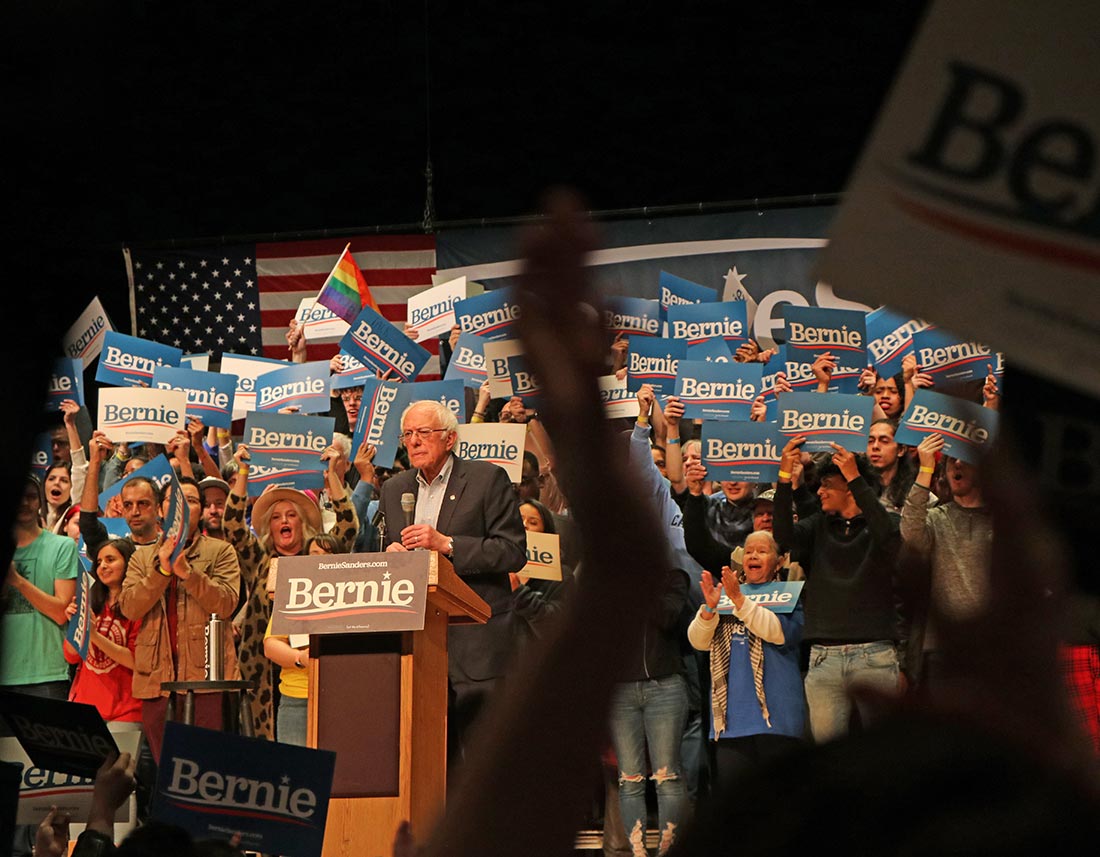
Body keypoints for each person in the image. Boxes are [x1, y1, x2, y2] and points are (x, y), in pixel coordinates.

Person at [379, 399, 527, 767]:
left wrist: (447, 544)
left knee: (485, 760)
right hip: (419, 641)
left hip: (477, 644)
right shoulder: (394, 489)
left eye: (423, 433)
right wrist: (392, 557)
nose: (414, 441)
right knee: (430, 762)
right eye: (408, 434)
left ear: (450, 439)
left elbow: (512, 551)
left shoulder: (485, 479)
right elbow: (379, 553)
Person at [224, 440, 358, 739]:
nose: (283, 521)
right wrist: (243, 470)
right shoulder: (259, 561)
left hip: (311, 674)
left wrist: (333, 477)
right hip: (262, 673)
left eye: (291, 515)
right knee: (271, 755)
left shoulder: (319, 557)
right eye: (275, 517)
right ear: (269, 527)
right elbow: (233, 527)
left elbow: (348, 528)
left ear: (303, 522)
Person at [773, 437, 902, 743]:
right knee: (829, 766)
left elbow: (891, 541)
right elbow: (783, 535)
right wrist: (782, 477)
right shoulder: (818, 526)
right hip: (823, 659)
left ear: (849, 486)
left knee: (886, 759)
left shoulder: (886, 524)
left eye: (828, 484)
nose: (819, 491)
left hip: (876, 655)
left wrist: (857, 477)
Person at [117, 476, 241, 762]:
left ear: (200, 510)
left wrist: (188, 573)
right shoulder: (142, 557)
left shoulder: (221, 551)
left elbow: (225, 605)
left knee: (208, 769)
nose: (183, 506)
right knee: (167, 771)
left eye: (192, 500)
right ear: (162, 510)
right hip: (156, 681)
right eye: (175, 501)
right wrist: (161, 571)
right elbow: (130, 608)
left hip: (207, 679)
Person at [687, 531, 806, 790]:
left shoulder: (787, 594)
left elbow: (777, 633)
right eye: (749, 550)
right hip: (731, 723)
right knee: (738, 813)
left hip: (777, 720)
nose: (753, 555)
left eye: (762, 551)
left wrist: (742, 602)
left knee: (780, 805)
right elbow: (698, 641)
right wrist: (708, 610)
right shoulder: (726, 595)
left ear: (779, 561)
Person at [899, 433, 992, 689]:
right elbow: (911, 534)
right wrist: (925, 469)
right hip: (943, 649)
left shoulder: (1002, 523)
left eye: (965, 460)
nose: (957, 466)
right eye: (952, 461)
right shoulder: (937, 517)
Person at [1, 475, 79, 698]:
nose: (25, 503)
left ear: (40, 502)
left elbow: (60, 612)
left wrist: (17, 581)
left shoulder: (61, 546)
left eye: (31, 497)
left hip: (46, 675)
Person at [262, 533, 339, 746]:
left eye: (328, 554)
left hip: (342, 698)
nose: (321, 559)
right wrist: (300, 657)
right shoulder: (293, 595)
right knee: (296, 775)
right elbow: (271, 645)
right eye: (315, 554)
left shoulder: (357, 595)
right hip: (296, 699)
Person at [64, 538, 143, 724]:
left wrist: (94, 635)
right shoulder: (90, 602)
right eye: (99, 562)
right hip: (85, 708)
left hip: (126, 711)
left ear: (129, 562)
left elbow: (136, 660)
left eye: (110, 560)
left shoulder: (139, 607)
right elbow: (71, 656)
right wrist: (76, 626)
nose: (103, 566)